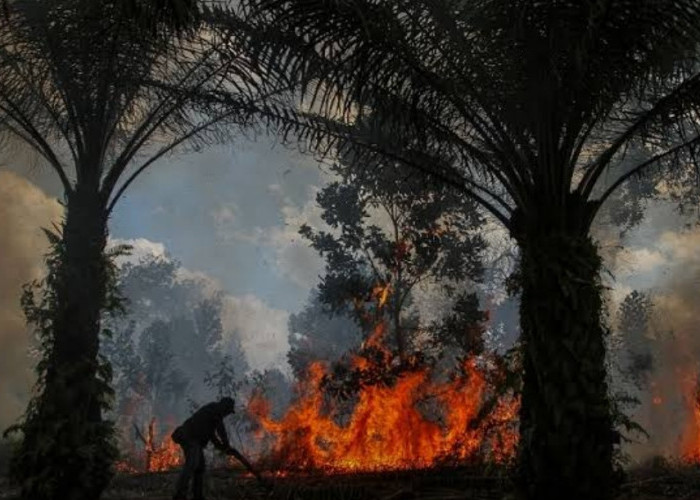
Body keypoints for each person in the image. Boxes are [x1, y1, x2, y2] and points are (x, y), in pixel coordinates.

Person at [171, 397, 236, 500]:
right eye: (228, 411)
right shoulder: (214, 410)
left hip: (194, 440)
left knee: (200, 468)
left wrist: (224, 447)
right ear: (224, 407)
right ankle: (179, 495)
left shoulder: (214, 413)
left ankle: (197, 495)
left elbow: (212, 436)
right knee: (192, 465)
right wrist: (226, 446)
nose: (227, 414)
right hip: (190, 437)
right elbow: (220, 431)